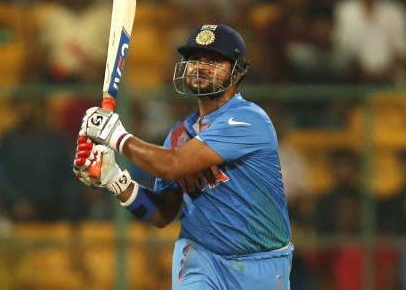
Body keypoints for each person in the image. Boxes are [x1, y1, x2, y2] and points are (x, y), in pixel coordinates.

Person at [73, 23, 293, 289]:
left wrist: (115, 135)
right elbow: (163, 214)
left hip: (261, 263)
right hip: (201, 258)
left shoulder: (249, 119)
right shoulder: (179, 133)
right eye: (194, 60)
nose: (200, 67)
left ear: (238, 72)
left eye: (213, 61)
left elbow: (172, 166)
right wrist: (115, 180)